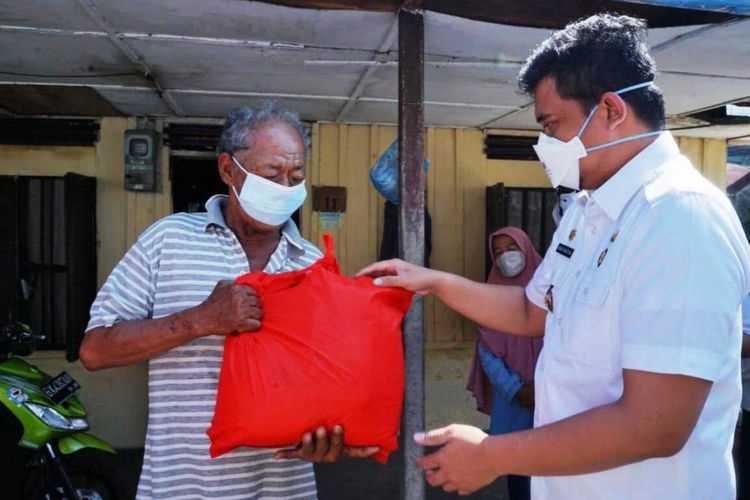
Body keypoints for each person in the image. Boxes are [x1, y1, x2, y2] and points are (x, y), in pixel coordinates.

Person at [358, 14, 750, 499]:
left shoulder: (679, 217)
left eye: (551, 125)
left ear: (610, 109)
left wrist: (491, 455)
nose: (545, 146)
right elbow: (531, 310)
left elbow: (657, 425)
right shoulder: (589, 209)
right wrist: (432, 281)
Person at [80, 100, 378, 499]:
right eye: (272, 174)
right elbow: (96, 351)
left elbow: (328, 375)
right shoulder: (168, 239)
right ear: (227, 170)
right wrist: (200, 320)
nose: (285, 188)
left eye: (296, 177)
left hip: (284, 489)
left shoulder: (312, 263)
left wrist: (328, 431)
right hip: (181, 488)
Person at [467, 227, 542, 500]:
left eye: (511, 248)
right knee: (518, 466)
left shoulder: (551, 286)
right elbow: (487, 353)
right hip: (513, 399)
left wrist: (544, 383)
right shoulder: (491, 296)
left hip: (552, 392)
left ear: (526, 249)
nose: (505, 256)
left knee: (555, 460)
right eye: (497, 252)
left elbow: (568, 339)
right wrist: (516, 389)